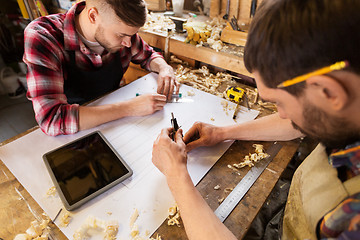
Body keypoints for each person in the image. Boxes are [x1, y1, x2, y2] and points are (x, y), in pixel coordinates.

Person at [152, 0, 360, 239]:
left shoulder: (352, 219)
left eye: (280, 103)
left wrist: (176, 176)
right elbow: (299, 121)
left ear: (329, 93)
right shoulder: (345, 106)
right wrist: (222, 133)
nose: (281, 114)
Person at [23, 0, 178, 136]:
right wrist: (130, 108)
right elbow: (52, 119)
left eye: (132, 35)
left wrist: (165, 68)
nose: (128, 43)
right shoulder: (43, 37)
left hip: (116, 125)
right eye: (121, 35)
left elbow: (148, 55)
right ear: (93, 16)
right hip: (74, 135)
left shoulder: (123, 33)